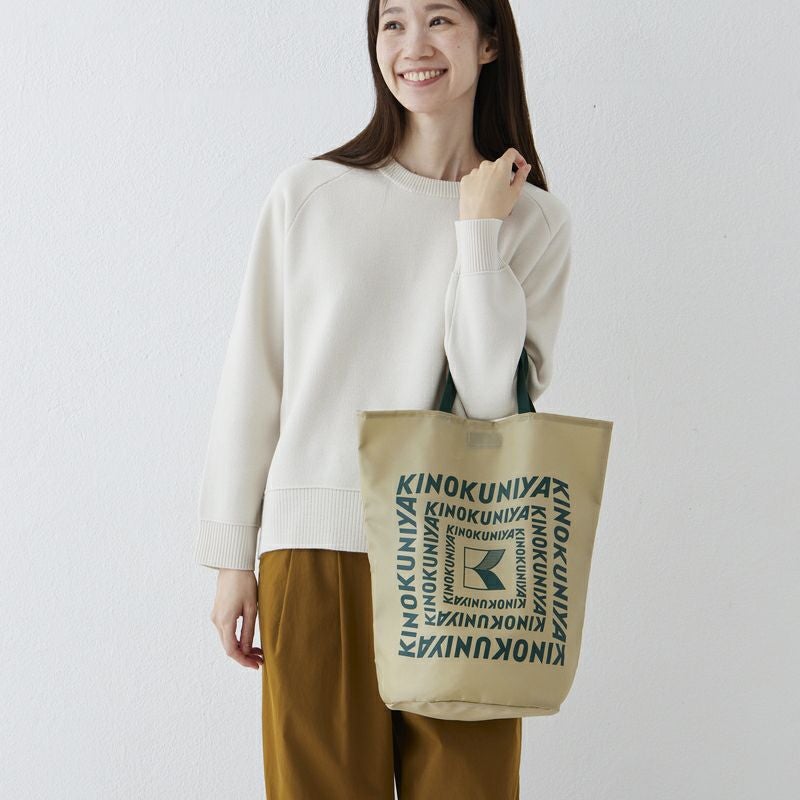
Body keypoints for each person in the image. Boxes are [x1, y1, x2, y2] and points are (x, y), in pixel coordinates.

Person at [194, 1, 572, 797]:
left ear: (489, 40)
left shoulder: (532, 220)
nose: (412, 46)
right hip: (316, 551)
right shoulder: (311, 194)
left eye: (439, 20)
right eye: (392, 23)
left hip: (467, 560)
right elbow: (255, 373)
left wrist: (478, 236)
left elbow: (492, 405)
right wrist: (233, 557)